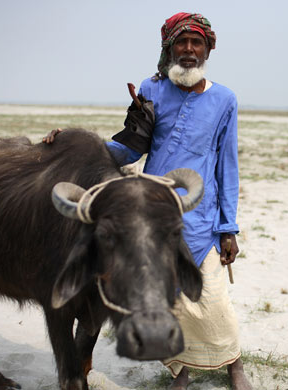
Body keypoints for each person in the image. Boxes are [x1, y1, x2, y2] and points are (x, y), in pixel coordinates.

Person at [44, 12, 251, 390]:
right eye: (181, 42)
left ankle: (235, 365)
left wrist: (228, 228)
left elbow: (228, 167)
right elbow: (127, 149)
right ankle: (181, 372)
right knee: (165, 298)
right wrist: (72, 146)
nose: (189, 49)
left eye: (196, 42)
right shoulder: (151, 89)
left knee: (213, 299)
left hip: (202, 215)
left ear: (208, 48)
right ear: (169, 47)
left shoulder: (225, 99)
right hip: (150, 216)